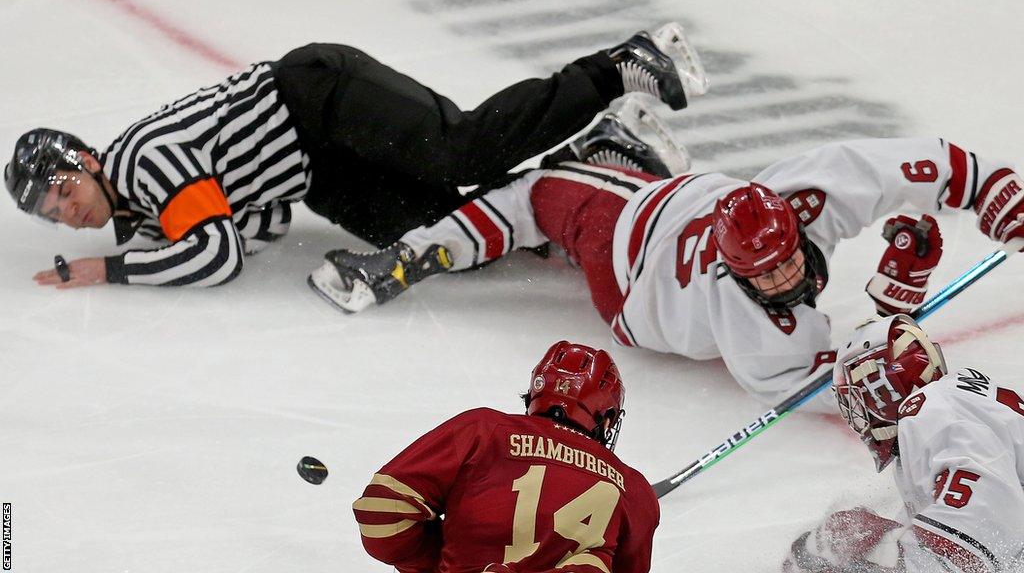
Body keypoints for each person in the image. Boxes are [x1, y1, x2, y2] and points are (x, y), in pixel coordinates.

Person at [312, 136, 1024, 409]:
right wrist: (898, 295)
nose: (780, 283)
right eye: (763, 277)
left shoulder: (806, 190)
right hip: (627, 273)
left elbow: (919, 165)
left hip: (673, 202)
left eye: (783, 265)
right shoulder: (756, 328)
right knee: (539, 192)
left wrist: (995, 191)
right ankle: (407, 256)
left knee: (553, 186)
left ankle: (627, 149)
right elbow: (856, 382)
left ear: (791, 222)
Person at [3, 23, 708, 289]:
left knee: (461, 146)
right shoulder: (138, 200)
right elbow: (264, 223)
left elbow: (215, 256)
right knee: (460, 238)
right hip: (316, 169)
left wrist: (109, 271)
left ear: (87, 160)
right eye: (52, 214)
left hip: (318, 96)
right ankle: (600, 152)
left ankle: (619, 66)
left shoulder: (141, 166)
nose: (66, 213)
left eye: (62, 190)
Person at [352, 340, 659, 573]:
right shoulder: (634, 491)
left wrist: (440, 561)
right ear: (606, 419)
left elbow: (381, 511)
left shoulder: (483, 431)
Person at [782, 314, 1024, 572]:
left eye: (854, 401)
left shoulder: (936, 413)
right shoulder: (950, 410)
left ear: (881, 391)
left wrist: (874, 547)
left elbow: (966, 553)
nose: (856, 414)